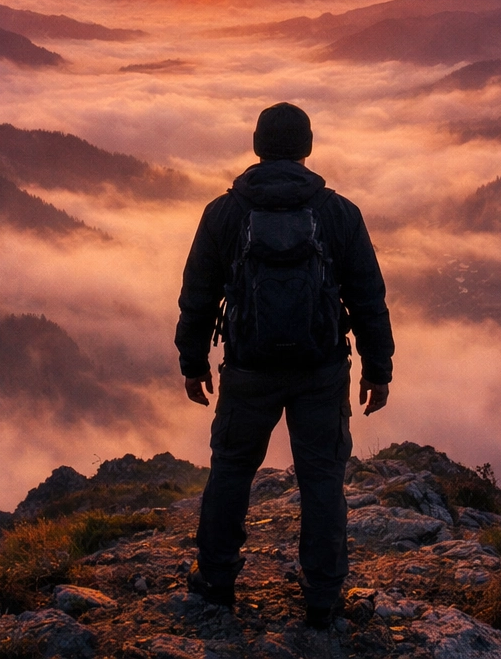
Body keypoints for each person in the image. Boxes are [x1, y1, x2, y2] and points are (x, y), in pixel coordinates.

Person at [175, 102, 394, 629]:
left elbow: (198, 297)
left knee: (231, 469)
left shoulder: (224, 213)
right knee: (322, 478)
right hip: (321, 370)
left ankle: (216, 580)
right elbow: (368, 298)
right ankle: (323, 595)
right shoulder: (339, 213)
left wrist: (193, 361)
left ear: (257, 146)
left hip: (247, 370)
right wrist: (378, 369)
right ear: (308, 147)